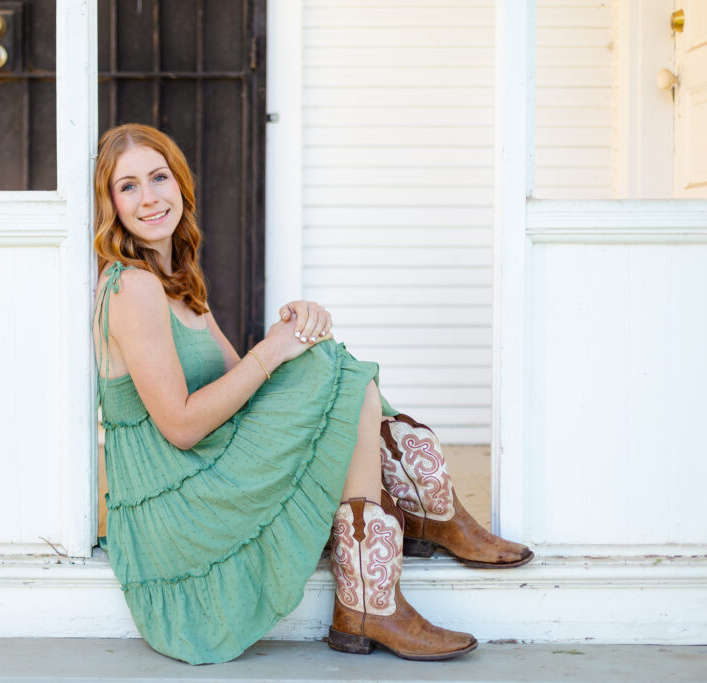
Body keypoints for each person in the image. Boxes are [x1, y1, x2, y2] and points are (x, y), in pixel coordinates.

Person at [93, 123, 531, 665]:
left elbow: (247, 390)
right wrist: (276, 350)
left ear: (180, 184)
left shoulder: (176, 280)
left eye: (159, 177)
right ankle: (406, 546)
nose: (150, 196)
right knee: (343, 377)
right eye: (128, 185)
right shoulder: (132, 287)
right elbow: (181, 427)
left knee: (331, 368)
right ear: (110, 203)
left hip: (202, 473)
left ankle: (384, 576)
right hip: (177, 507)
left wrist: (294, 331)